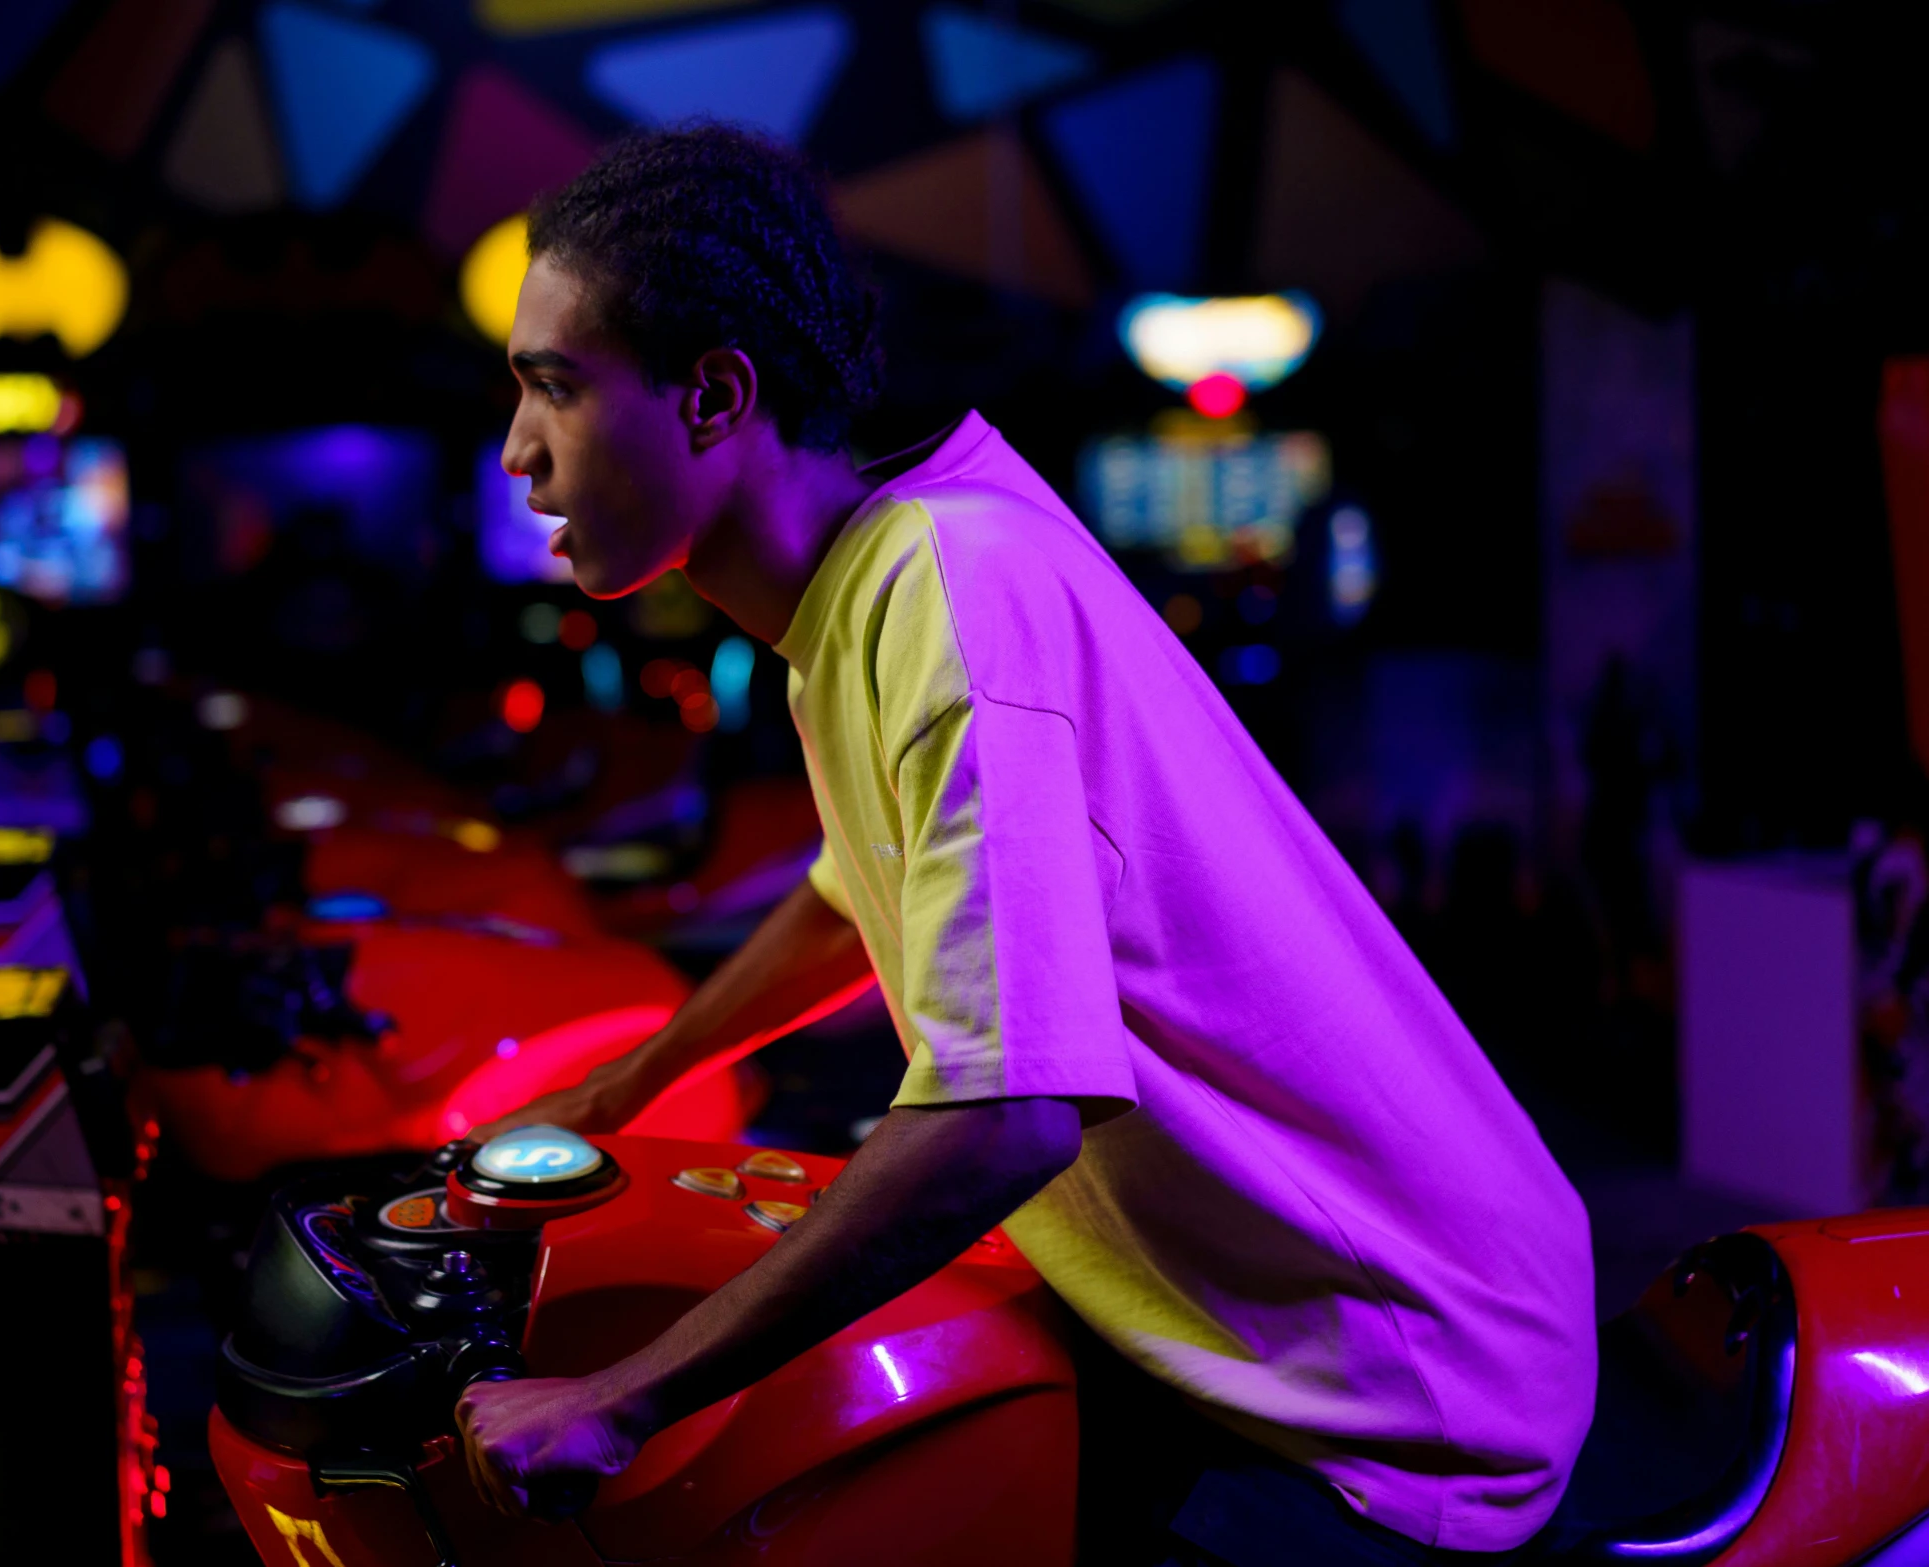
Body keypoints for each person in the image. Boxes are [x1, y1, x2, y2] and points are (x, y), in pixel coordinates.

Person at [456, 124, 1596, 1563]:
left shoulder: (948, 583)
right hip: (1269, 1318)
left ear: (711, 396)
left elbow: (1005, 1113)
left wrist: (619, 1400)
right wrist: (633, 1082)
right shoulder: (860, 595)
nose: (517, 452)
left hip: (1397, 1382)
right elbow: (846, 898)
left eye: (552, 387)